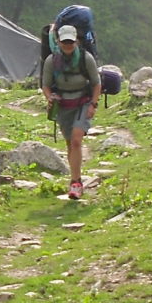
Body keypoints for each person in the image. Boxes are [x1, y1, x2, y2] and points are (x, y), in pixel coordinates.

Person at [41, 23, 101, 199]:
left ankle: (76, 183)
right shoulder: (51, 61)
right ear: (58, 41)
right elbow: (45, 85)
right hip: (63, 105)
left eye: (71, 42)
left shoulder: (86, 58)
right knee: (69, 143)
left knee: (76, 140)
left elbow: (97, 83)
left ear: (76, 41)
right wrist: (50, 98)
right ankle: (75, 178)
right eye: (64, 41)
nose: (67, 45)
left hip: (83, 102)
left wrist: (93, 105)